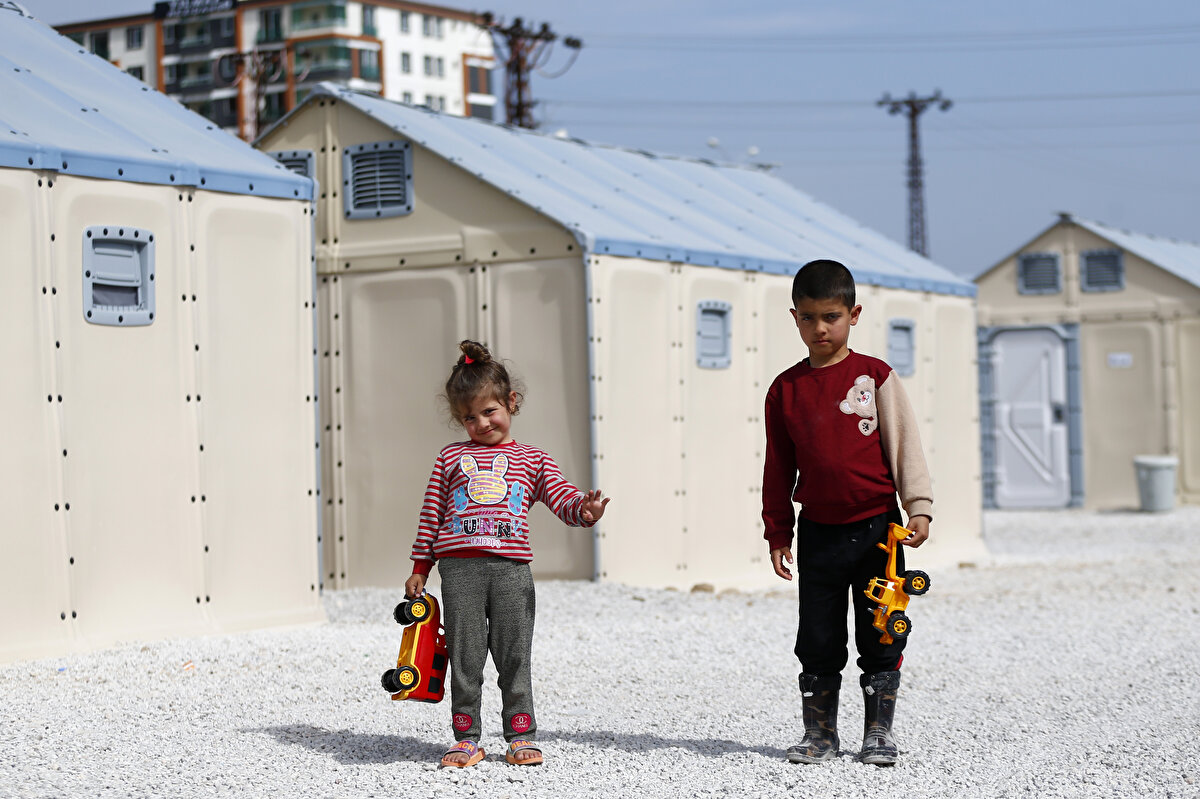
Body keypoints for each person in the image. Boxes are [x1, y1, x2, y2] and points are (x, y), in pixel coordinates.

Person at [405, 340, 610, 769]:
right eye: (468, 417)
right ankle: (466, 737)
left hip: (511, 571)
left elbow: (563, 499)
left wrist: (586, 511)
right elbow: (431, 515)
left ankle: (520, 733)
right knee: (465, 655)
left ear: (511, 402)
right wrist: (421, 566)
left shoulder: (532, 460)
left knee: (514, 653)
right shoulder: (450, 458)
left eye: (489, 411)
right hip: (459, 571)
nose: (480, 423)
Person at [762, 259, 932, 767]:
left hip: (880, 529)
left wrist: (918, 507)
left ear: (853, 314)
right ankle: (820, 736)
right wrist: (777, 531)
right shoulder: (784, 390)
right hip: (818, 533)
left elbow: (905, 446)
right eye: (809, 317)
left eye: (831, 316)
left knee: (881, 629)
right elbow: (777, 467)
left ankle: (878, 733)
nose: (820, 328)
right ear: (794, 317)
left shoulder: (874, 377)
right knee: (817, 636)